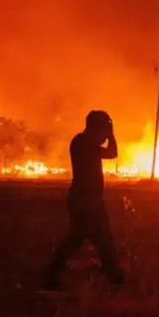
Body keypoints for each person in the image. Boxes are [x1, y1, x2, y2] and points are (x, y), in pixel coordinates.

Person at [43, 110, 125, 289]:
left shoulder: (84, 142)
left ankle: (53, 274)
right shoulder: (83, 143)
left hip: (89, 200)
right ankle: (114, 276)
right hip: (85, 201)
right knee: (100, 238)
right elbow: (112, 152)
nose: (104, 134)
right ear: (95, 127)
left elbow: (112, 153)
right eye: (103, 128)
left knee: (80, 239)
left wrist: (109, 134)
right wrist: (111, 134)